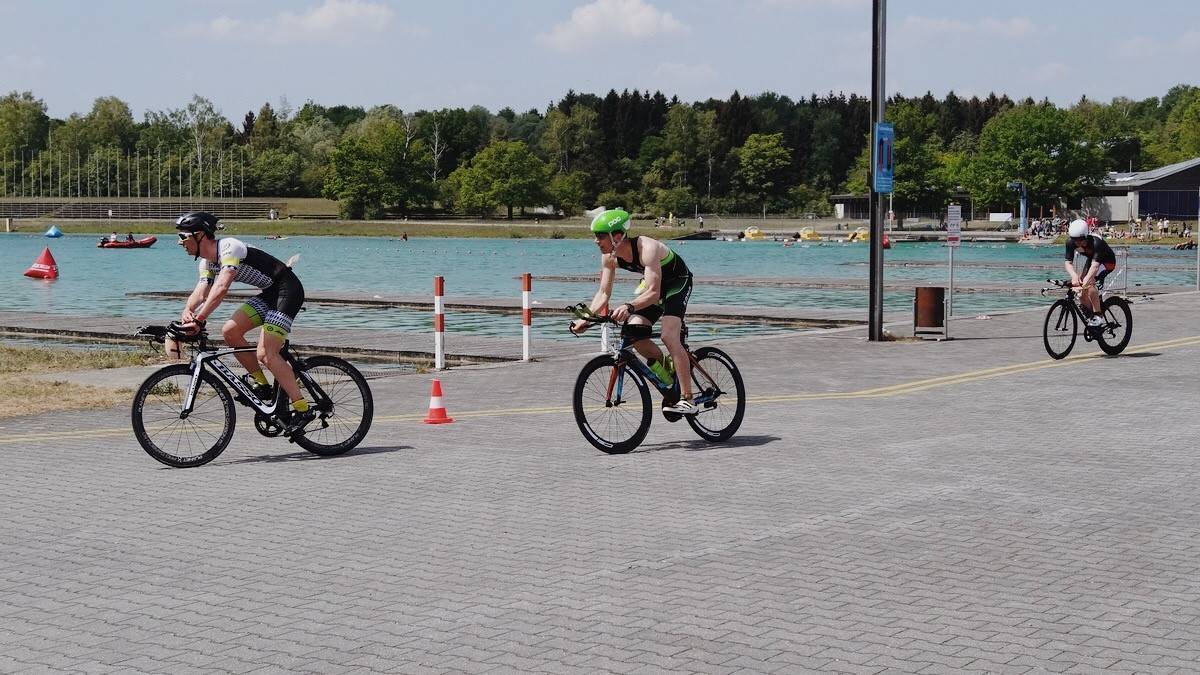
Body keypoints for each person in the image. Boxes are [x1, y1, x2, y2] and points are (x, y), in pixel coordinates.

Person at [172, 211, 315, 437]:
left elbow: (221, 289)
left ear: (199, 235)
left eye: (183, 237)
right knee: (230, 331)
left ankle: (302, 409)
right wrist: (188, 310)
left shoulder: (229, 247)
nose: (180, 243)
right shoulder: (207, 262)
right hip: (270, 294)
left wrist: (200, 319)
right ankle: (263, 385)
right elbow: (201, 292)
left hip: (288, 290)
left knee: (266, 353)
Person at [569, 209, 699, 415]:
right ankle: (668, 374)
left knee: (668, 335)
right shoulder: (609, 258)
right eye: (595, 236)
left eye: (600, 236)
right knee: (634, 332)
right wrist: (586, 318)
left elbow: (655, 293)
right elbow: (603, 292)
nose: (596, 241)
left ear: (617, 236)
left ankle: (688, 399)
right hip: (652, 286)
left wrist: (629, 306)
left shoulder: (647, 247)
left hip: (676, 283)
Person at [1064, 219, 1117, 332]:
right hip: (1092, 260)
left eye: (1081, 240)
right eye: (1075, 240)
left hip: (1107, 262)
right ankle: (1091, 313)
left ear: (1086, 236)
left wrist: (1086, 280)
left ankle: (1098, 315)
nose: (1077, 243)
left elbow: (1095, 267)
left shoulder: (1096, 242)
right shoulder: (1070, 242)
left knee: (1089, 282)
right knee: (1080, 290)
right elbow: (1068, 263)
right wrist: (1074, 276)